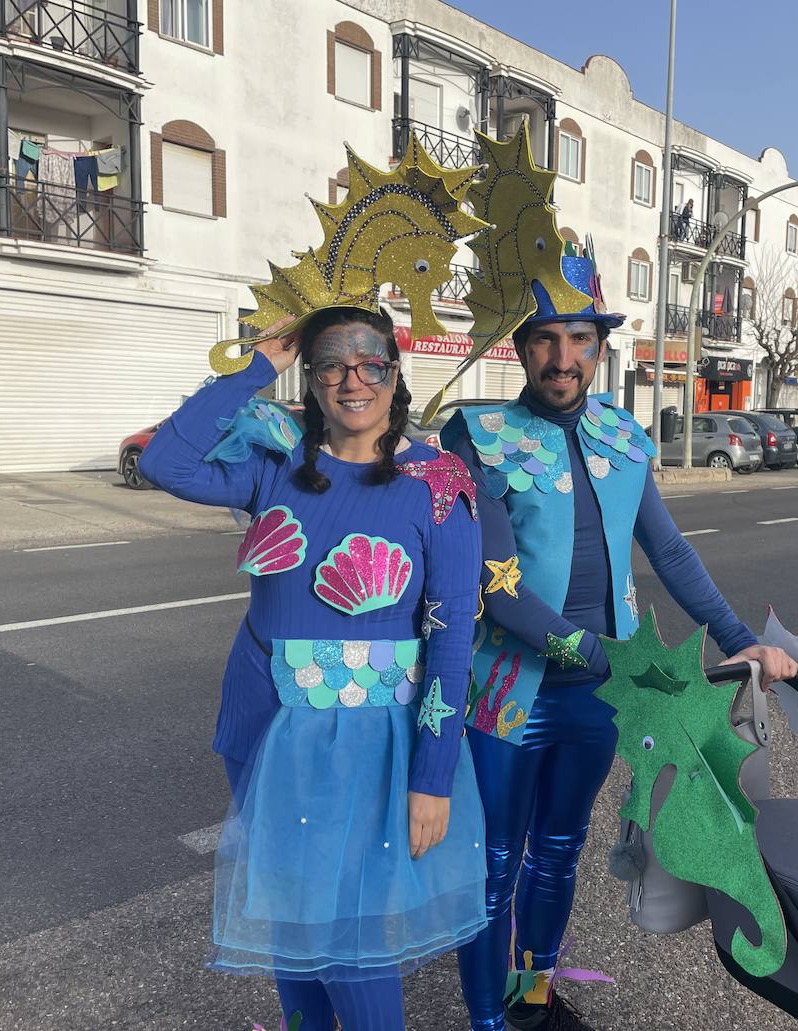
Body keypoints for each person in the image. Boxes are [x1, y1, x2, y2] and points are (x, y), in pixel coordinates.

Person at [443, 250, 797, 1031]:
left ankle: (529, 1000)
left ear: (599, 348)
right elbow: (499, 586)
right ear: (519, 345)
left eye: (578, 339)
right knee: (491, 866)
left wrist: (739, 642)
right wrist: (618, 662)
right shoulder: (479, 435)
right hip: (508, 693)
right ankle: (486, 1020)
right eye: (544, 338)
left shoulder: (623, 435)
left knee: (558, 852)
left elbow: (670, 554)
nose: (562, 358)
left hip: (597, 704)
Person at [138, 307, 487, 1031]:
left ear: (395, 372)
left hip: (370, 737)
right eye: (330, 362)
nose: (351, 380)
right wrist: (260, 362)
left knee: (350, 944)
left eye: (370, 363)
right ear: (310, 377)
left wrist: (432, 775)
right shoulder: (275, 466)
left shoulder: (438, 485)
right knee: (293, 925)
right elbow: (164, 461)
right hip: (262, 719)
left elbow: (451, 639)